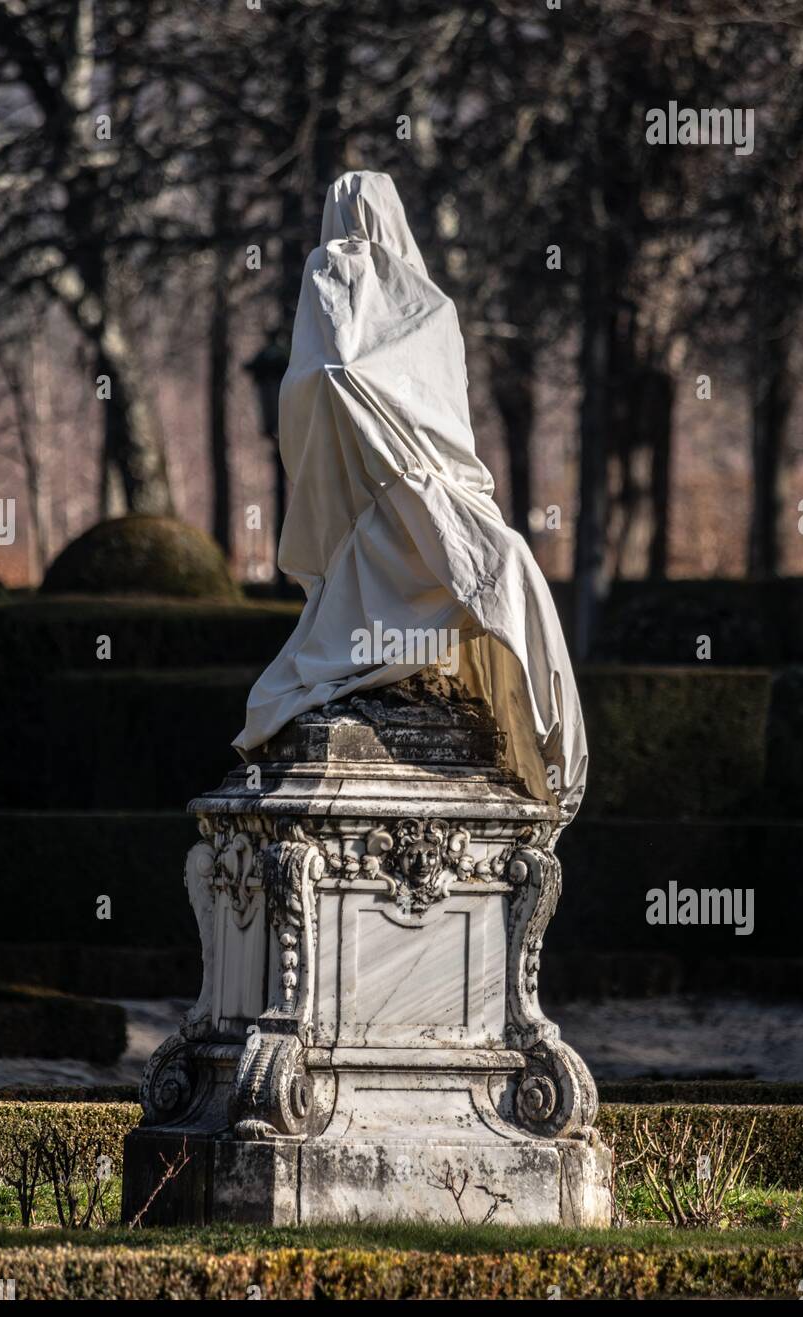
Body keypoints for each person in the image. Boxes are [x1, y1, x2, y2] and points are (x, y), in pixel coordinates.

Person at [233, 171, 587, 828]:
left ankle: (470, 705)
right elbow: (336, 373)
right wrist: (385, 440)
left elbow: (368, 387)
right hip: (393, 499)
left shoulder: (419, 304)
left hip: (430, 493)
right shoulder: (372, 287)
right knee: (487, 571)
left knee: (495, 572)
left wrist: (402, 453)